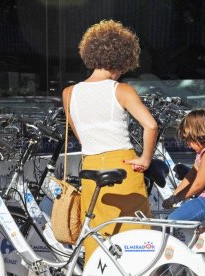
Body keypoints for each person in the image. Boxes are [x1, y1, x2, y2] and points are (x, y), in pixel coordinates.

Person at [62, 19, 158, 264]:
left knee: (97, 233)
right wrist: (145, 158)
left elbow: (79, 134)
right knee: (136, 236)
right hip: (123, 165)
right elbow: (151, 125)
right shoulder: (121, 90)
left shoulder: (69, 93)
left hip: (91, 167)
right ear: (122, 59)